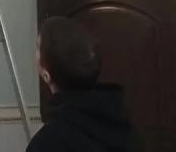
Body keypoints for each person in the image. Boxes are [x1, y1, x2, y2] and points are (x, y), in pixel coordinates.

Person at [27, 17, 135, 152]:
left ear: (46, 75)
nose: (35, 53)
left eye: (38, 47)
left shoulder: (47, 143)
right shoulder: (122, 123)